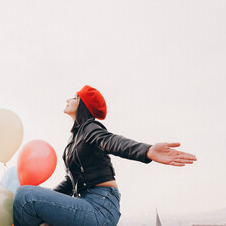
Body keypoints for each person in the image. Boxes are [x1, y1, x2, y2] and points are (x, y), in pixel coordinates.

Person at [13, 85, 197, 226]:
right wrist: (45, 203)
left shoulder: (90, 128)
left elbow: (111, 141)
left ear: (82, 104)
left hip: (100, 206)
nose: (68, 99)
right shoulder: (74, 139)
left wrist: (147, 151)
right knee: (32, 205)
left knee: (24, 196)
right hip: (85, 202)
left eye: (75, 97)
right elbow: (71, 182)